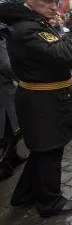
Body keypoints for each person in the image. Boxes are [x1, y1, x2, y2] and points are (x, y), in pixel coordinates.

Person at [0, 0, 72, 217]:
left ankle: (25, 194)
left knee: (43, 151)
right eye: (48, 1)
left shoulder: (33, 22)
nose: (54, 7)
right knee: (50, 152)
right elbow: (66, 54)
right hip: (43, 103)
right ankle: (50, 202)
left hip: (45, 100)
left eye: (56, 1)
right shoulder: (29, 28)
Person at [0, 23, 26, 181]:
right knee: (7, 127)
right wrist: (24, 76)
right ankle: (3, 164)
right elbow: (5, 65)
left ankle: (13, 156)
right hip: (3, 89)